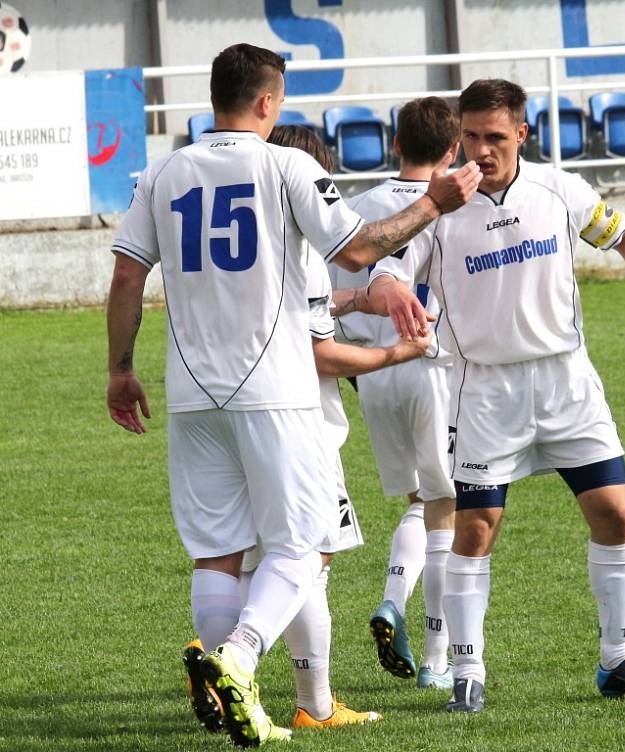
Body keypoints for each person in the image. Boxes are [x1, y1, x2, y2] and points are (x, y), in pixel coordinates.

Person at [105, 43, 480, 747]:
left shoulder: (161, 173)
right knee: (305, 546)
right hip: (275, 387)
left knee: (217, 552)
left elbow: (128, 277)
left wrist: (120, 369)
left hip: (190, 393)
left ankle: (228, 699)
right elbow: (360, 248)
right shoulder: (286, 166)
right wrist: (435, 200)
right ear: (269, 103)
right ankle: (240, 660)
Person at [368, 78, 625, 713]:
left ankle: (617, 659)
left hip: (566, 381)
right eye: (469, 137)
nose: (481, 150)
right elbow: (386, 267)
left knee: (614, 513)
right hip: (486, 391)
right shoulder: (437, 205)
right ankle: (468, 673)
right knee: (476, 527)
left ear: (522, 134)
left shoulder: (559, 189)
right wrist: (392, 293)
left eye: (495, 137)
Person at [180, 124, 438, 733]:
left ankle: (225, 679)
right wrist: (396, 355)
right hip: (300, 424)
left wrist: (361, 300)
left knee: (241, 558)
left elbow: (303, 310)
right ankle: (308, 701)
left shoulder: (238, 240)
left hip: (213, 406)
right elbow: (318, 352)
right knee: (308, 558)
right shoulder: (304, 249)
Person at [329, 97, 461, 690]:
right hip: (436, 367)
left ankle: (393, 604)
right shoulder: (462, 207)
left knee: (416, 500)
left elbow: (332, 297)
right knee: (445, 508)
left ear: (396, 144)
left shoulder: (361, 210)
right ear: (454, 151)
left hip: (375, 371)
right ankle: (435, 658)